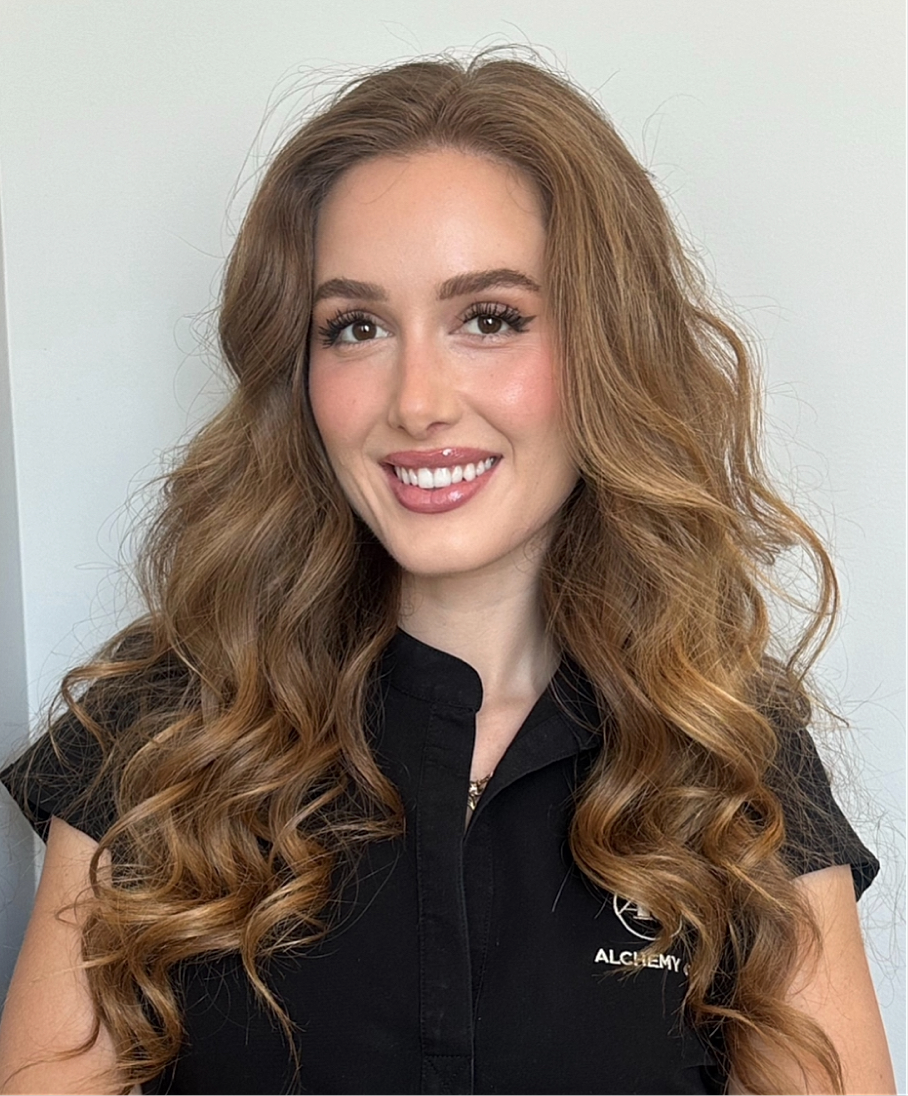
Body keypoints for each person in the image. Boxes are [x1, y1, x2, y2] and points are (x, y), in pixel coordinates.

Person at [0, 48, 895, 1096]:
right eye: (356, 327)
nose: (415, 399)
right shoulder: (157, 733)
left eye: (489, 318)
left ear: (606, 347)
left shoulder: (726, 747)